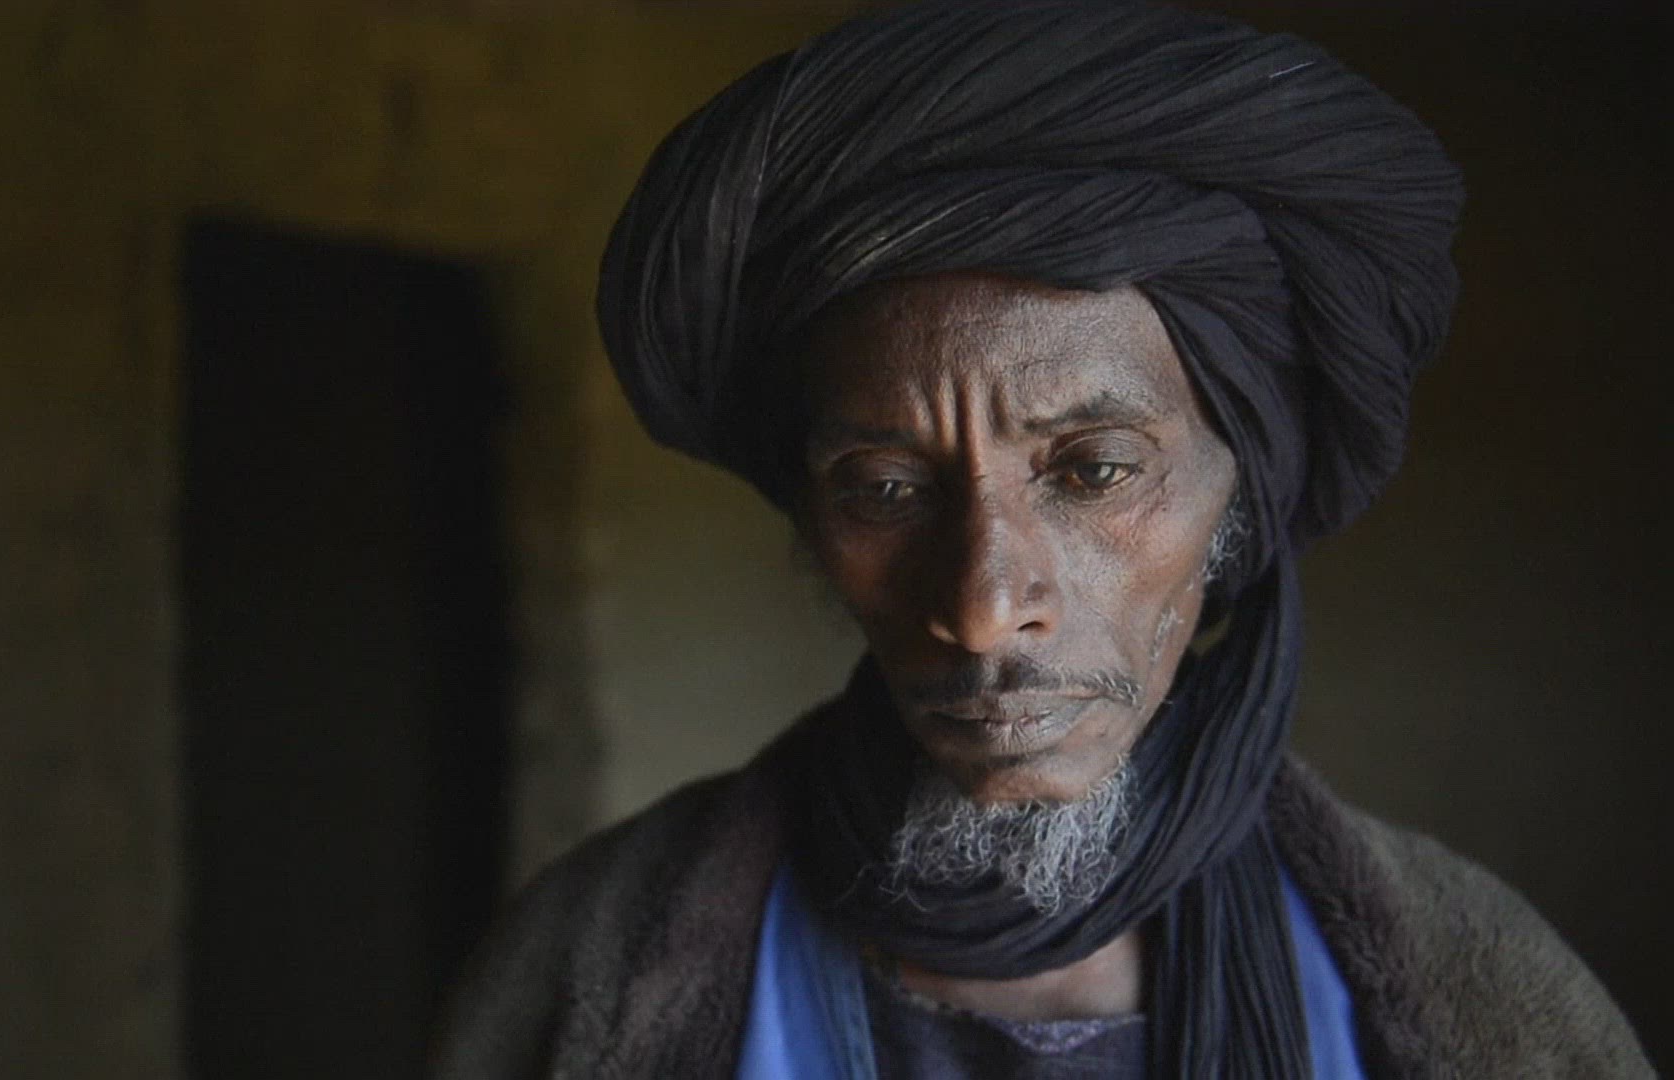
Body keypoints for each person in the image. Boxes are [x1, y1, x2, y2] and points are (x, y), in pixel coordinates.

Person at [433, 2, 1651, 1076]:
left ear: (1237, 504)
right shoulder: (593, 967)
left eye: (1095, 471)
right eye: (885, 488)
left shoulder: (1472, 988)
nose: (980, 607)